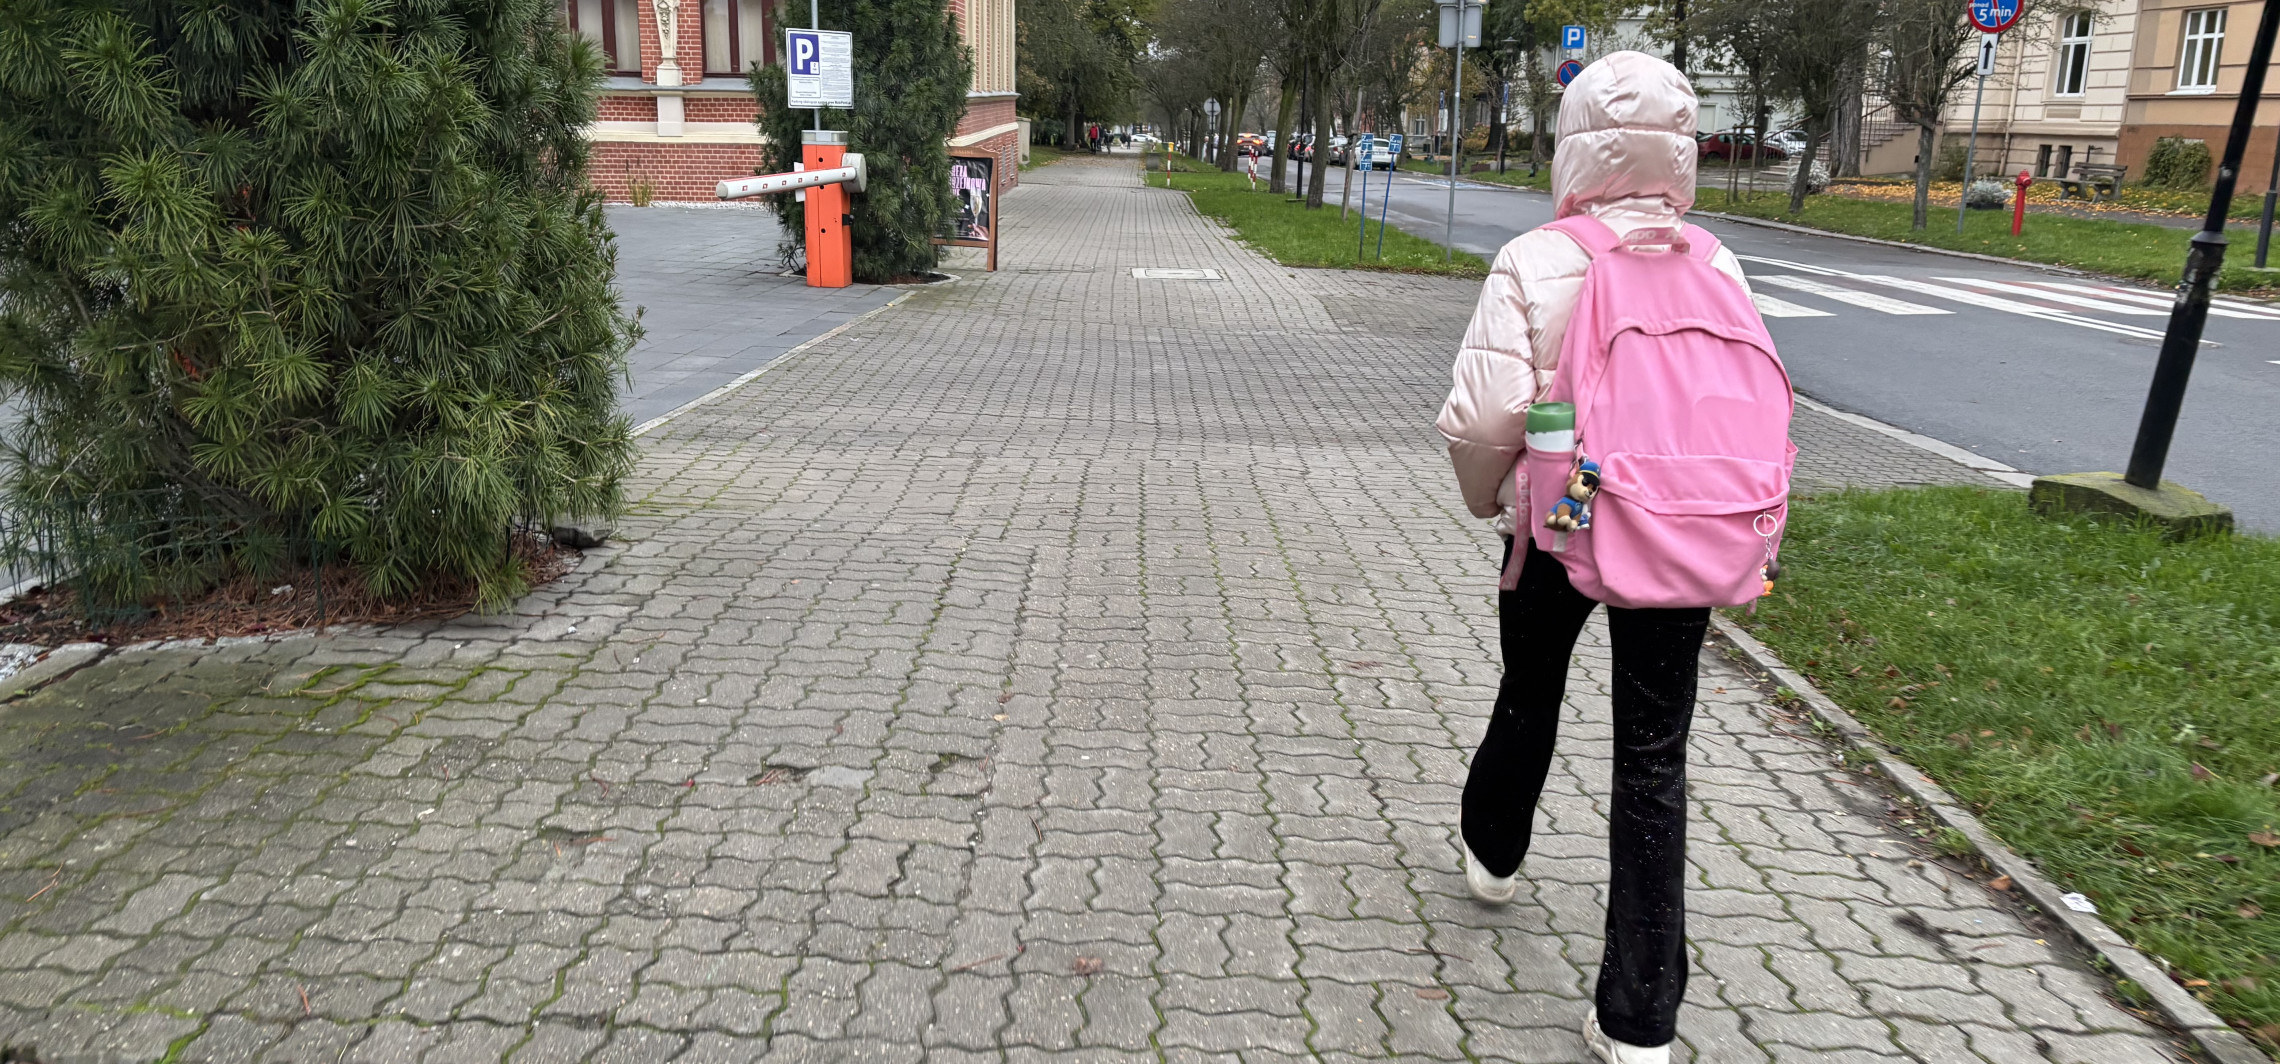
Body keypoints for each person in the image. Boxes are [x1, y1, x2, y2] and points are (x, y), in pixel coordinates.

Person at [1434, 51, 1758, 1064]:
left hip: (1559, 526)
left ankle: (1494, 853)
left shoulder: (1537, 258)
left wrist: (1497, 504)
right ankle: (1640, 1016)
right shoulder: (1716, 260)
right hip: (1681, 531)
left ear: (1574, 144)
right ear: (1683, 150)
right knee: (1655, 757)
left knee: (1529, 690)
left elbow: (1484, 418)